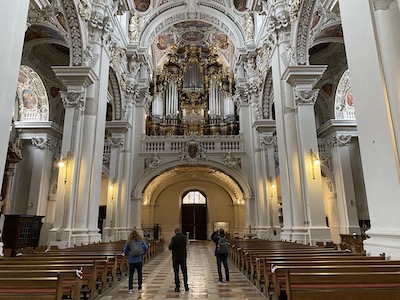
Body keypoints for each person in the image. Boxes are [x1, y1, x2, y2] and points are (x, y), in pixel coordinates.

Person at [123, 229, 149, 294]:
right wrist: (143, 253)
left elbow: (125, 250)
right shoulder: (140, 240)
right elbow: (146, 247)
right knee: (139, 273)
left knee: (131, 274)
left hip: (131, 260)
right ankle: (140, 287)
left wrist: (128, 254)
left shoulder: (129, 241)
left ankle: (130, 288)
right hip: (139, 259)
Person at [169, 226, 189, 292]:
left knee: (176, 273)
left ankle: (177, 287)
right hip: (183, 257)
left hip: (176, 257)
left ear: (175, 232)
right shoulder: (184, 237)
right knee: (184, 272)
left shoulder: (174, 238)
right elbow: (186, 245)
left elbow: (170, 247)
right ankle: (186, 286)